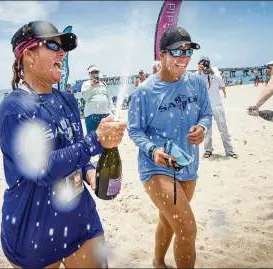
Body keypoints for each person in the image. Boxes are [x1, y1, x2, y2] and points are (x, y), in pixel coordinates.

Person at [0, 20, 126, 269]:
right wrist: (96, 141)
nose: (62, 52)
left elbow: (77, 147)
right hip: (34, 227)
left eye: (62, 47)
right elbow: (42, 170)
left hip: (79, 217)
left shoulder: (66, 98)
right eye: (52, 45)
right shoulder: (14, 108)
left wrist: (90, 173)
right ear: (28, 55)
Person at [128, 27, 212, 269]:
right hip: (156, 166)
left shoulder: (196, 83)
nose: (184, 57)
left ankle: (158, 262)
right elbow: (134, 130)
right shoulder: (144, 92)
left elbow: (206, 114)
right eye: (177, 51)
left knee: (168, 220)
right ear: (162, 55)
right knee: (186, 228)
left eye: (188, 51)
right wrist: (153, 149)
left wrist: (202, 128)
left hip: (187, 163)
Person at [196, 57, 238, 159]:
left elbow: (222, 84)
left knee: (223, 128)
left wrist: (211, 73)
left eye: (204, 63)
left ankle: (229, 151)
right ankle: (208, 150)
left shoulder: (214, 70)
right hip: (205, 107)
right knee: (207, 131)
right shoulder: (197, 75)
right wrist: (202, 73)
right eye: (200, 63)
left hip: (217, 105)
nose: (202, 65)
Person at [81, 65, 115, 134]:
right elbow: (85, 97)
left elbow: (109, 99)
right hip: (91, 115)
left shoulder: (104, 84)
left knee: (106, 136)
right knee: (92, 137)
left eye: (96, 72)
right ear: (89, 74)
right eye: (92, 72)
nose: (94, 74)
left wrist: (113, 110)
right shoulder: (86, 84)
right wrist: (92, 86)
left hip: (105, 114)